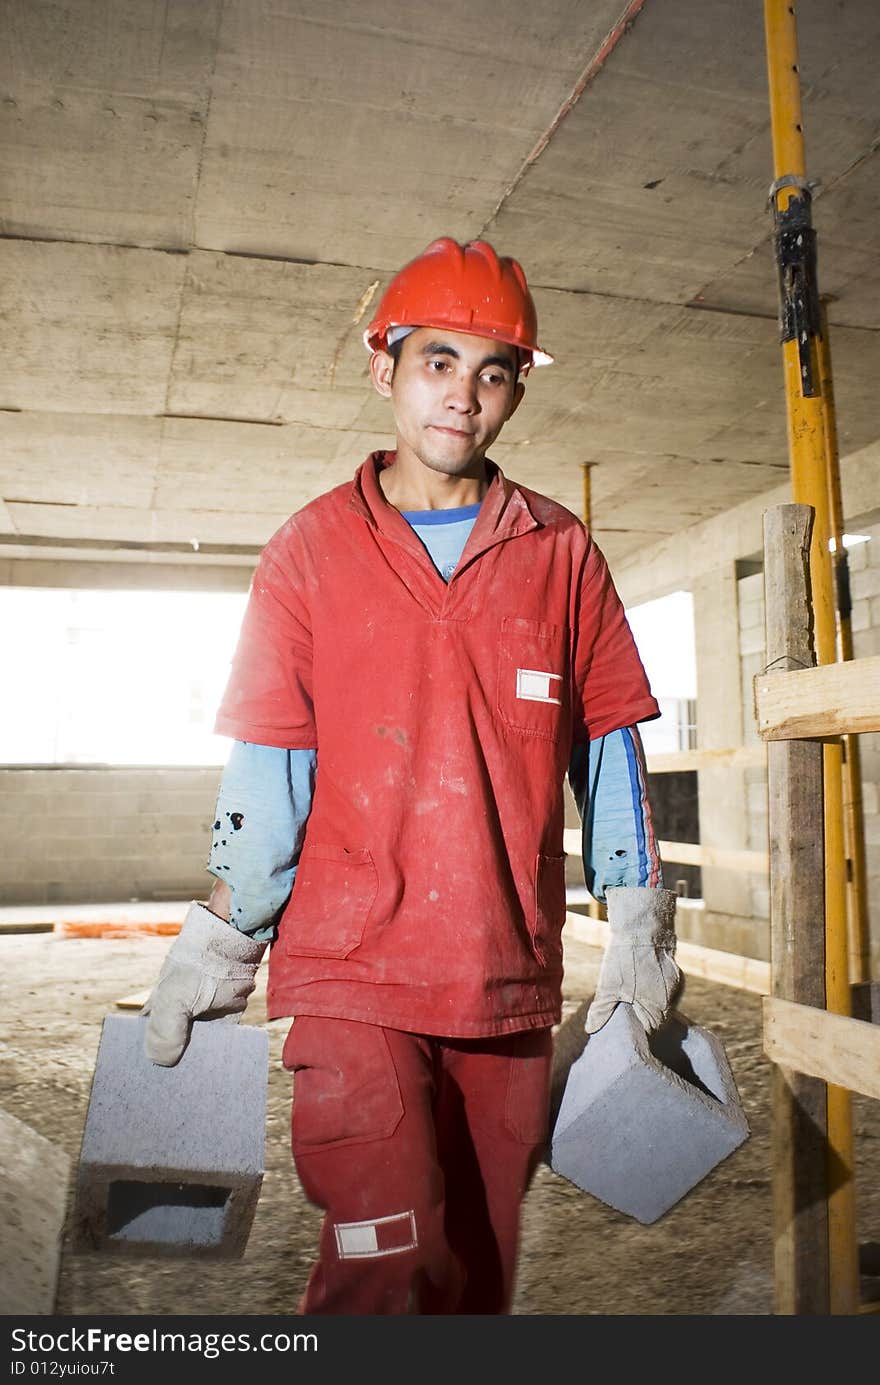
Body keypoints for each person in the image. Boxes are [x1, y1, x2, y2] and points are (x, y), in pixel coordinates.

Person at [141, 237, 681, 1315]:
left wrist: (638, 917)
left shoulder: (559, 549)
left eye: (494, 371)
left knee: (478, 1276)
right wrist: (220, 934)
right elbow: (272, 762)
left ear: (517, 388)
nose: (463, 395)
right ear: (382, 366)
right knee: (389, 1264)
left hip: (505, 973)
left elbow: (608, 741)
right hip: (351, 972)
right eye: (438, 360)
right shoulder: (308, 551)